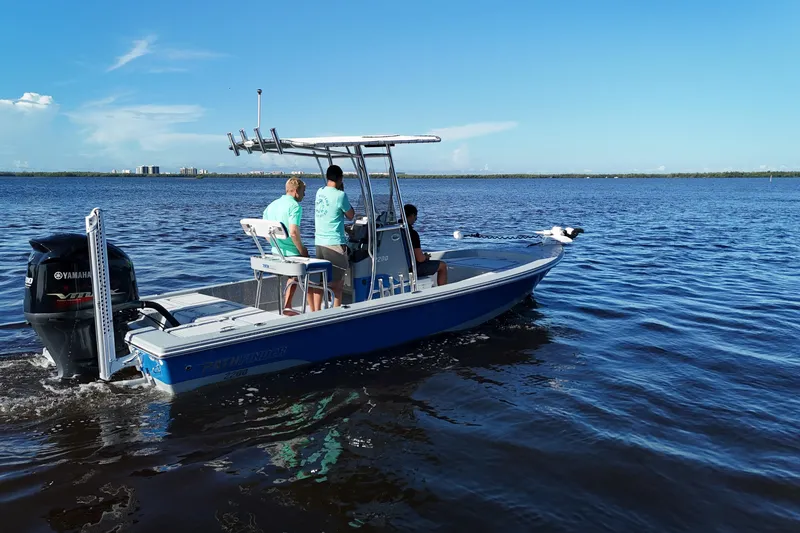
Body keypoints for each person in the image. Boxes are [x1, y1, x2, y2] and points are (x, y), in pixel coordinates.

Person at [263, 177, 311, 312]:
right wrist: (302, 251)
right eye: (303, 191)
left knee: (293, 273)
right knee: (304, 271)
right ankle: (288, 306)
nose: (304, 195)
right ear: (296, 191)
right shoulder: (295, 206)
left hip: (275, 251)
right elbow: (294, 233)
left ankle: (287, 305)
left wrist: (276, 244)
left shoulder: (271, 206)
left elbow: (266, 234)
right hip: (291, 254)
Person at [312, 164, 355, 308]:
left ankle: (316, 312)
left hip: (319, 242)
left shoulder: (320, 191)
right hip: (335, 243)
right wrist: (341, 191)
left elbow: (330, 214)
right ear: (340, 178)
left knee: (320, 281)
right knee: (337, 285)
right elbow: (351, 215)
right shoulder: (340, 195)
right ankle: (335, 312)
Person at [403, 203, 447, 286]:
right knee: (442, 266)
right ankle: (443, 290)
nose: (415, 219)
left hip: (401, 267)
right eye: (415, 216)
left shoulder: (398, 231)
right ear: (412, 215)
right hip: (412, 268)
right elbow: (420, 259)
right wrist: (425, 257)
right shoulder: (412, 233)